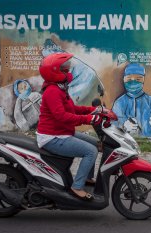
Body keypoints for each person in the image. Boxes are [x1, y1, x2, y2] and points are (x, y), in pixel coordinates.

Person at [36, 52, 102, 201]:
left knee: (95, 144)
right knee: (91, 151)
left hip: (63, 132)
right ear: (54, 72)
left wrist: (95, 110)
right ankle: (77, 187)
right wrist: (89, 119)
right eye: (65, 69)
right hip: (52, 137)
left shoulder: (60, 88)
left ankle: (87, 178)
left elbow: (73, 109)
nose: (69, 71)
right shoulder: (52, 92)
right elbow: (62, 117)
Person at [113, 63, 151, 137]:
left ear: (143, 80)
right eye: (129, 79)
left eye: (138, 79)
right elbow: (112, 122)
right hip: (126, 143)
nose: (133, 82)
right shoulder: (119, 103)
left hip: (150, 144)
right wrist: (123, 125)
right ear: (124, 79)